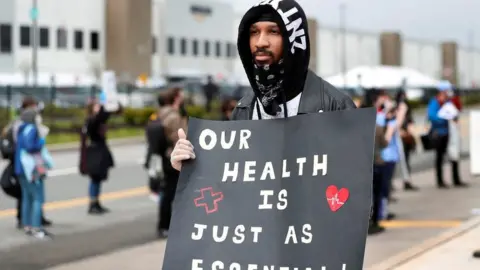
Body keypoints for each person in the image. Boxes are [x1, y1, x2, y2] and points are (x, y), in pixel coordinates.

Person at [169, 0, 355, 169]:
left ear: (294, 39)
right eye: (254, 32)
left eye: (273, 31)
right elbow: (232, 181)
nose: (260, 42)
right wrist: (189, 168)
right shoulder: (244, 109)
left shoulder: (335, 106)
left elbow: (355, 186)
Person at [1, 97, 52, 229]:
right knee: (34, 195)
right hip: (28, 163)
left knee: (28, 193)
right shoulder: (23, 125)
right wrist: (40, 143)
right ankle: (32, 223)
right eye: (32, 106)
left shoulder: (24, 124)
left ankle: (29, 220)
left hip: (24, 163)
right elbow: (29, 145)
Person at [15, 105, 53, 239]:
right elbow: (30, 146)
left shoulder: (21, 129)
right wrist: (41, 140)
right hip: (31, 169)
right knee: (37, 198)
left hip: (20, 169)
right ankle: (37, 227)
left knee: (27, 198)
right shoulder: (32, 129)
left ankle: (27, 225)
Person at [156, 87, 187, 238]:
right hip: (173, 158)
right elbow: (181, 138)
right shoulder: (173, 116)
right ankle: (165, 225)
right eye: (181, 96)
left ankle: (164, 224)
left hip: (165, 157)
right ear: (175, 98)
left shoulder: (161, 113)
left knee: (167, 192)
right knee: (171, 193)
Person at [81, 99, 121, 214]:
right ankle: (92, 203)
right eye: (96, 106)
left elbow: (106, 116)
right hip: (94, 151)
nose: (99, 107)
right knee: (94, 178)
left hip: (99, 150)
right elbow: (100, 117)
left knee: (98, 179)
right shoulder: (92, 120)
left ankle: (96, 202)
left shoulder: (97, 120)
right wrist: (105, 107)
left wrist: (111, 105)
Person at [427, 86, 467, 188]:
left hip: (450, 133)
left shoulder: (448, 102)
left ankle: (456, 179)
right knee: (439, 157)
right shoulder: (434, 103)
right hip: (440, 133)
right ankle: (440, 181)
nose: (446, 95)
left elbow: (455, 112)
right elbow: (432, 116)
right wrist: (444, 118)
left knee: (454, 155)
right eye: (445, 93)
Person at [368, 90, 388, 235]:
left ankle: (366, 222)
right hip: (377, 163)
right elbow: (384, 144)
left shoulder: (356, 126)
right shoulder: (378, 127)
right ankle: (374, 222)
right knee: (377, 195)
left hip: (363, 165)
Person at [395, 90, 418, 191]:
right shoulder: (398, 109)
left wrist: (410, 130)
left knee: (406, 160)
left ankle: (407, 180)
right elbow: (396, 125)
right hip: (400, 137)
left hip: (407, 137)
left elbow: (410, 122)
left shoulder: (407, 110)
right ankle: (402, 181)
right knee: (399, 160)